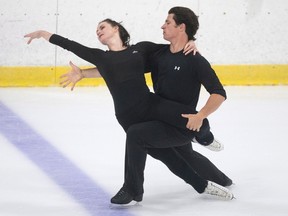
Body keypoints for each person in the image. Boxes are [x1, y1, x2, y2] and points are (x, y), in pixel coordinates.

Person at [24, 17, 234, 202]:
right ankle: (200, 185)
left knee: (195, 120)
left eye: (103, 26)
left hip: (152, 105)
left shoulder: (140, 50)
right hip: (129, 117)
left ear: (116, 28)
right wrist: (44, 34)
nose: (98, 31)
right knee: (169, 156)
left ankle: (204, 138)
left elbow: (170, 47)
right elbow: (70, 45)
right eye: (96, 30)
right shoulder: (102, 58)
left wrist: (191, 40)